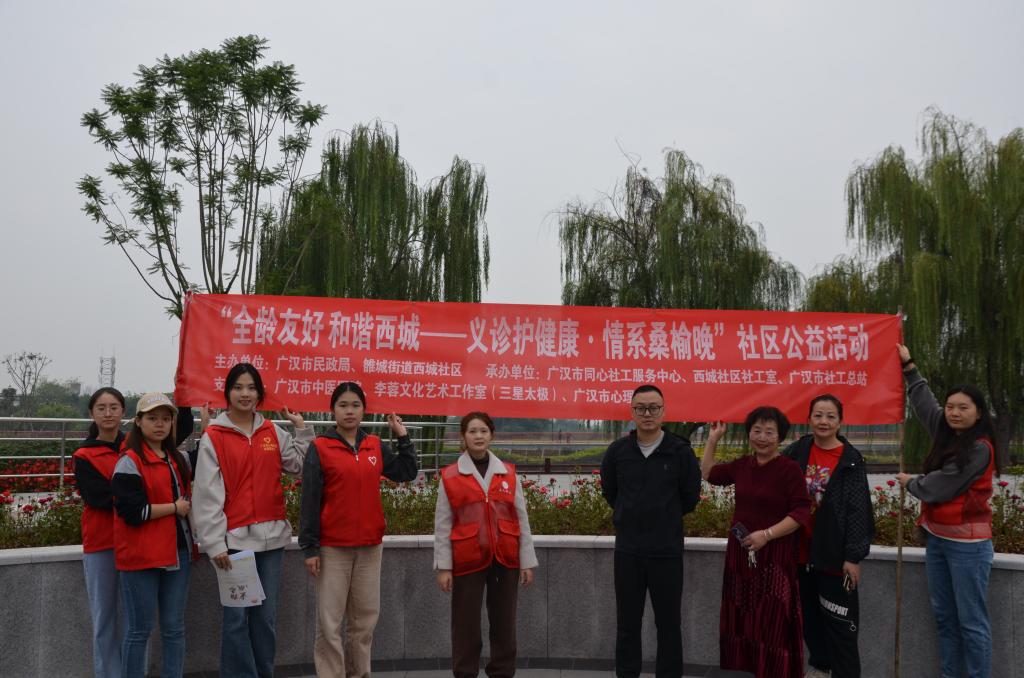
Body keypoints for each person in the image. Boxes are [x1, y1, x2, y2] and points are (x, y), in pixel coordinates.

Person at [191, 363, 312, 678]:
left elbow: (301, 467)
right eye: (238, 387)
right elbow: (206, 493)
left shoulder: (272, 431)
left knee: (265, 618)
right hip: (235, 543)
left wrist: (302, 430)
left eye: (251, 388)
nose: (245, 394)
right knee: (236, 620)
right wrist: (215, 543)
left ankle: (263, 672)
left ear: (260, 394)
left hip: (271, 540)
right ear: (227, 393)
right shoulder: (215, 436)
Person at [299, 381, 418, 678]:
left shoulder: (374, 445)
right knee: (329, 623)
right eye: (343, 405)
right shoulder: (320, 448)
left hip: (369, 548)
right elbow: (309, 499)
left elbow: (406, 471)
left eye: (355, 405)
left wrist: (402, 436)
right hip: (332, 549)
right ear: (333, 410)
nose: (349, 411)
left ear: (364, 410)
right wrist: (310, 548)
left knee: (364, 622)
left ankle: (359, 673)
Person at [74, 387, 195, 678]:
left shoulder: (140, 446)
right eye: (101, 408)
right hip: (105, 542)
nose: (108, 413)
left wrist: (185, 392)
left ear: (125, 413)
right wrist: (155, 503)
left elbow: (177, 430)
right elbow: (105, 500)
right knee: (106, 617)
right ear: (92, 413)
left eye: (114, 407)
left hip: (147, 542)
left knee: (139, 624)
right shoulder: (88, 455)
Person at [895, 344, 997, 678]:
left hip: (968, 546)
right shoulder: (946, 431)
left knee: (971, 623)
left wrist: (911, 482)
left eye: (963, 408)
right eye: (951, 406)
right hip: (937, 540)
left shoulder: (979, 448)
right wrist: (909, 367)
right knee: (945, 618)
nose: (954, 412)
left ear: (978, 413)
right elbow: (926, 405)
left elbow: (942, 484)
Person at [600, 385, 702, 678]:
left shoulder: (680, 452)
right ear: (632, 412)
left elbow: (690, 497)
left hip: (666, 552)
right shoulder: (618, 452)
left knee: (669, 624)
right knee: (627, 624)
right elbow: (610, 491)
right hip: (628, 551)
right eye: (641, 408)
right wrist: (630, 514)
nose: (647, 413)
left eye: (654, 408)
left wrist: (664, 518)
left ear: (663, 411)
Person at [701, 406, 811, 678]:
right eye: (757, 431)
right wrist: (713, 439)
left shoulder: (789, 469)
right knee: (744, 616)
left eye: (769, 432)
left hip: (775, 557)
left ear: (780, 437)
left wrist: (767, 534)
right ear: (749, 433)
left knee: (773, 618)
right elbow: (709, 474)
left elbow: (801, 513)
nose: (762, 437)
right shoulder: (742, 465)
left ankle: (774, 671)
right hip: (741, 556)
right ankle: (753, 668)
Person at [433, 411, 537, 678]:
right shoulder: (451, 476)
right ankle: (465, 672)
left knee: (504, 622)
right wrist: (444, 567)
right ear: (463, 437)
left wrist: (526, 562)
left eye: (483, 431)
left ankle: (502, 671)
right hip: (467, 557)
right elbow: (443, 525)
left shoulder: (508, 473)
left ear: (491, 435)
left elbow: (521, 519)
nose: (478, 436)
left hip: (505, 557)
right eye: (472, 431)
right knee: (465, 623)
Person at [783, 394, 874, 678]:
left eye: (830, 416)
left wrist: (853, 557)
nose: (823, 421)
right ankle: (821, 667)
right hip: (799, 554)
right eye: (818, 415)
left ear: (840, 422)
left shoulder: (850, 460)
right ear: (809, 419)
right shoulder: (797, 451)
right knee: (809, 619)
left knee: (841, 625)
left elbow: (859, 511)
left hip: (834, 557)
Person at [111, 392, 198, 678]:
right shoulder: (129, 461)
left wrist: (207, 423)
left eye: (165, 418)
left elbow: (208, 456)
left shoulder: (178, 458)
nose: (159, 424)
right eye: (152, 418)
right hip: (142, 557)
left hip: (178, 553)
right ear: (138, 421)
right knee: (140, 630)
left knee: (174, 628)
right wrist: (175, 507)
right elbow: (132, 512)